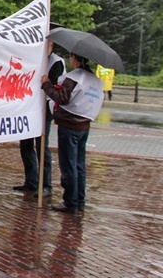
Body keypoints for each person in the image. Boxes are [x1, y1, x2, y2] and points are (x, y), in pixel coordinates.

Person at [41, 53, 104, 214]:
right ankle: (79, 200)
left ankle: (70, 201)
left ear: (75, 59)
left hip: (69, 126)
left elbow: (62, 98)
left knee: (69, 165)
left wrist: (46, 85)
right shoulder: (94, 79)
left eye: (71, 57)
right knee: (79, 165)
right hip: (84, 126)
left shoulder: (75, 77)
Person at [13, 41, 64, 196]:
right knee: (25, 145)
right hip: (28, 107)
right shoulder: (31, 58)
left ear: (52, 47)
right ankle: (31, 181)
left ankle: (46, 185)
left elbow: (54, 85)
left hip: (44, 109)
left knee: (42, 146)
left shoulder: (56, 62)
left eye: (47, 46)